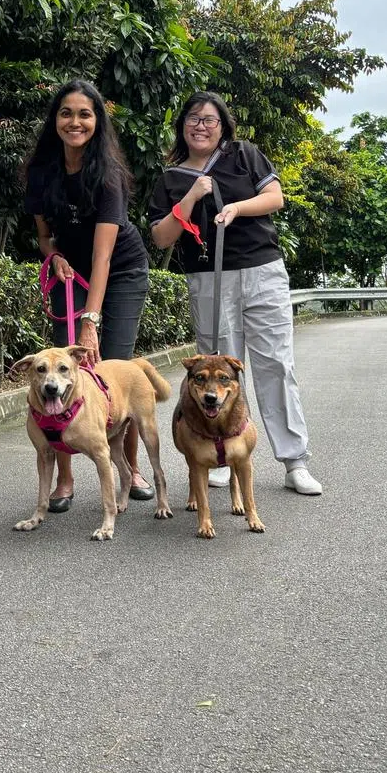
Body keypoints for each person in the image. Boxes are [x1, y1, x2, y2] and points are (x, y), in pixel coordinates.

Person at [148, 90, 322, 496]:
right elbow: (161, 237)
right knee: (216, 369)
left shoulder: (243, 154)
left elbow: (274, 197)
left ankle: (294, 460)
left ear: (223, 125)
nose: (200, 125)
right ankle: (220, 455)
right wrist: (192, 197)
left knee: (276, 364)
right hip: (208, 278)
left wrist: (237, 208)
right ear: (182, 126)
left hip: (261, 270)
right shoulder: (172, 178)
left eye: (209, 119)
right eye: (192, 118)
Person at [23, 79, 152, 513]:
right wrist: (54, 255)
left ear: (97, 122)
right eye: (66, 113)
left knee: (113, 370)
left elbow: (103, 257)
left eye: (85, 114)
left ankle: (129, 469)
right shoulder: (41, 172)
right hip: (70, 276)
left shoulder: (108, 175)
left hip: (122, 270)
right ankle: (65, 478)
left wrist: (90, 321)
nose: (75, 122)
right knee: (60, 376)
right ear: (55, 119)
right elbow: (44, 237)